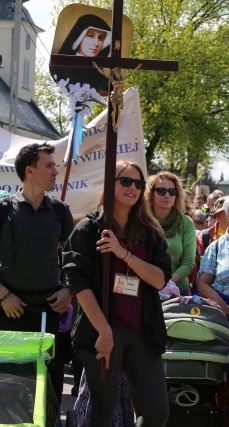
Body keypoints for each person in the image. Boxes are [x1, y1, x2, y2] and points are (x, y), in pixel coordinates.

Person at [62, 160, 172, 427]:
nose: (132, 188)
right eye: (125, 181)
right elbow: (79, 283)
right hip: (103, 330)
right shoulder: (88, 229)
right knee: (104, 411)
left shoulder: (150, 231)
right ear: (109, 184)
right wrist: (104, 331)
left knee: (158, 411)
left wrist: (123, 254)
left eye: (138, 184)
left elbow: (159, 280)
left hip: (141, 331)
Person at [0, 143, 74, 403]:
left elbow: (74, 261)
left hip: (48, 312)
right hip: (7, 311)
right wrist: (3, 296)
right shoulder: (3, 210)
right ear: (30, 171)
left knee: (47, 386)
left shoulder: (60, 211)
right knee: (7, 385)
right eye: (49, 165)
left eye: (55, 165)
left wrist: (68, 290)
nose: (56, 171)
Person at [146, 172, 196, 296]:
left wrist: (167, 284)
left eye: (172, 191)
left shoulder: (186, 223)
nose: (167, 195)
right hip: (146, 289)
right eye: (162, 191)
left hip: (178, 290)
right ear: (152, 194)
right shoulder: (143, 221)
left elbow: (188, 263)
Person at [50, 14, 112, 92]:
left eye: (100, 38)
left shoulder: (104, 82)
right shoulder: (58, 69)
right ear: (79, 37)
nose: (96, 43)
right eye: (91, 36)